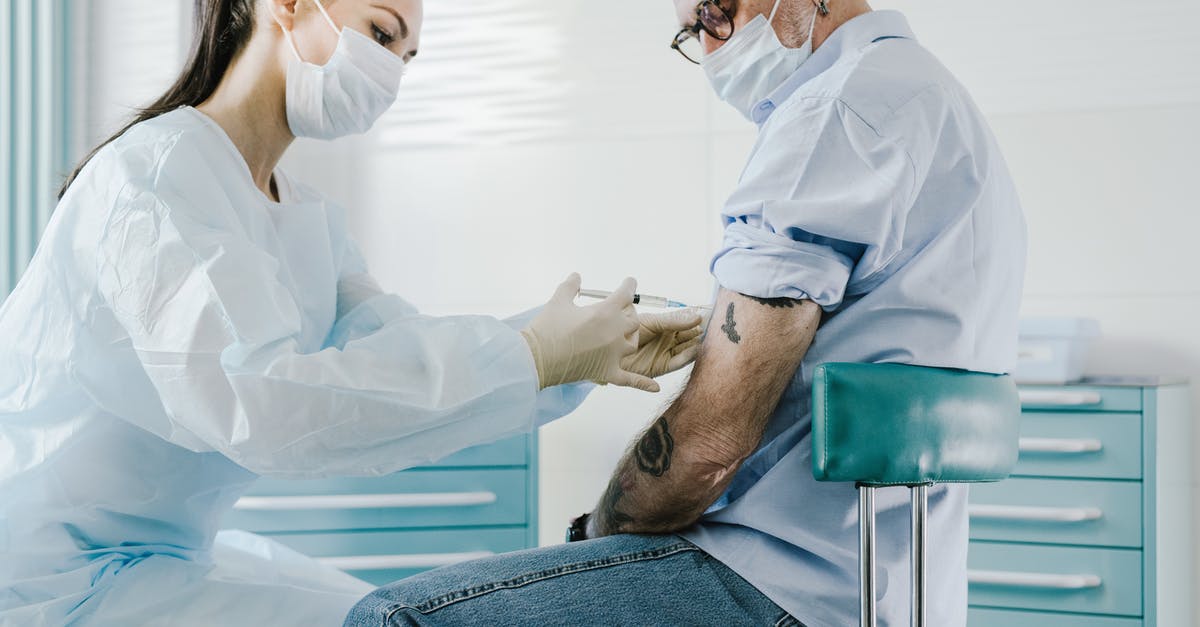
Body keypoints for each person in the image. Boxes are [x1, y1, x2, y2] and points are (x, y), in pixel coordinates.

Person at [0, 0, 705, 625]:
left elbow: (395, 343)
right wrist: (532, 353)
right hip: (47, 578)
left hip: (162, 560)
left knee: (388, 613)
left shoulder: (305, 218)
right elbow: (261, 404)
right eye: (382, 33)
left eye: (407, 55)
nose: (393, 72)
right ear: (286, 5)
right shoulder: (154, 177)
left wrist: (573, 350)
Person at [346, 0, 1027, 625]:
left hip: (781, 584)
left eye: (716, 12)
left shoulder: (832, 114)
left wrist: (592, 538)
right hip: (899, 588)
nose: (710, 46)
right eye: (693, 31)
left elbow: (706, 445)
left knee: (389, 617)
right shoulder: (932, 98)